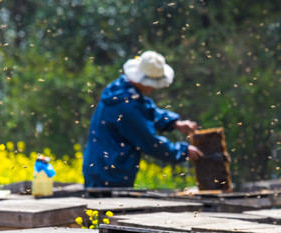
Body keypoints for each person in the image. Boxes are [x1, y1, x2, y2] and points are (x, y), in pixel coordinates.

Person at [82, 50, 203, 188]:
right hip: (109, 175)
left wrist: (173, 122)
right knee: (110, 209)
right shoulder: (127, 107)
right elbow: (150, 142)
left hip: (101, 167)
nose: (153, 87)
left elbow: (145, 108)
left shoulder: (120, 87)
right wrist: (182, 151)